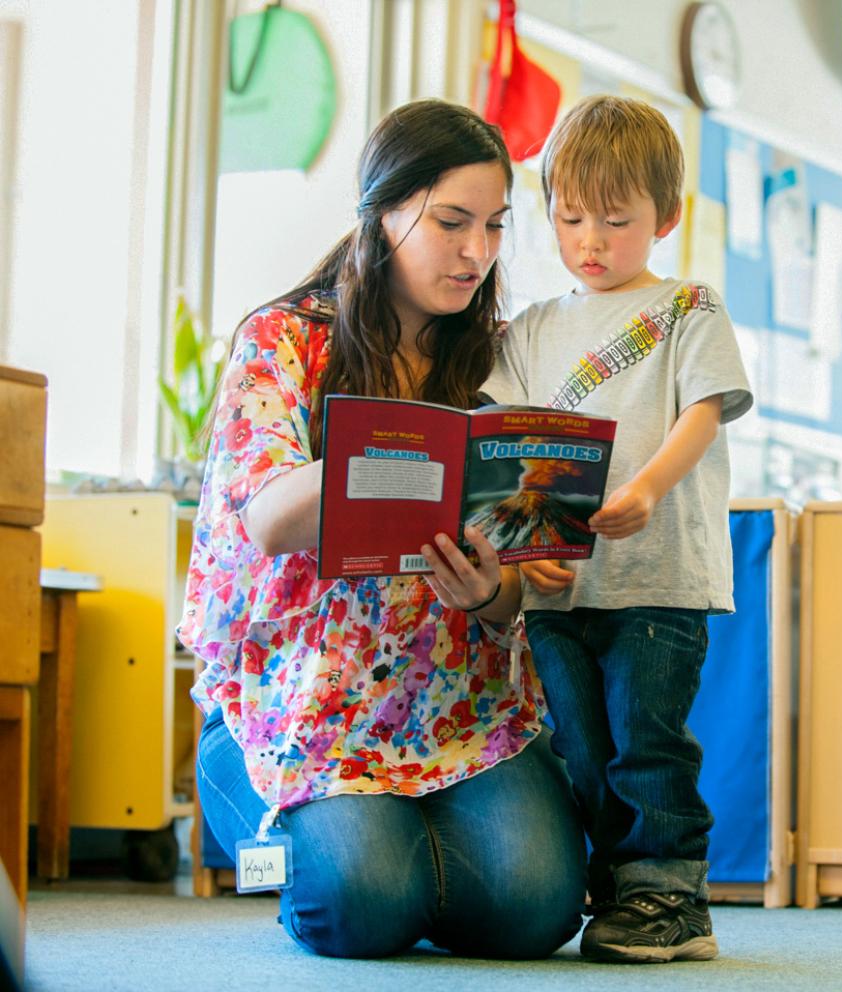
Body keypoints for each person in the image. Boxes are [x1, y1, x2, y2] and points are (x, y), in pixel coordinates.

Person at [178, 99, 587, 960]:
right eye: (450, 223)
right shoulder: (284, 338)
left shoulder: (494, 358)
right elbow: (268, 517)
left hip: (450, 712)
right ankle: (350, 852)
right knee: (357, 907)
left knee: (539, 910)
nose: (476, 252)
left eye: (494, 227)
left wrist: (491, 591)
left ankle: (413, 858)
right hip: (296, 705)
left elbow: (512, 591)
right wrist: (394, 443)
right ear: (383, 212)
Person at [484, 95, 753, 963]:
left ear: (665, 217)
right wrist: (529, 550)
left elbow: (704, 413)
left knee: (647, 738)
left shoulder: (688, 306)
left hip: (661, 577)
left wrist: (645, 487)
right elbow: (507, 445)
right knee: (582, 746)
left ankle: (672, 898)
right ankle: (615, 892)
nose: (589, 241)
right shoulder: (530, 328)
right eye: (569, 218)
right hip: (560, 587)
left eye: (614, 219)